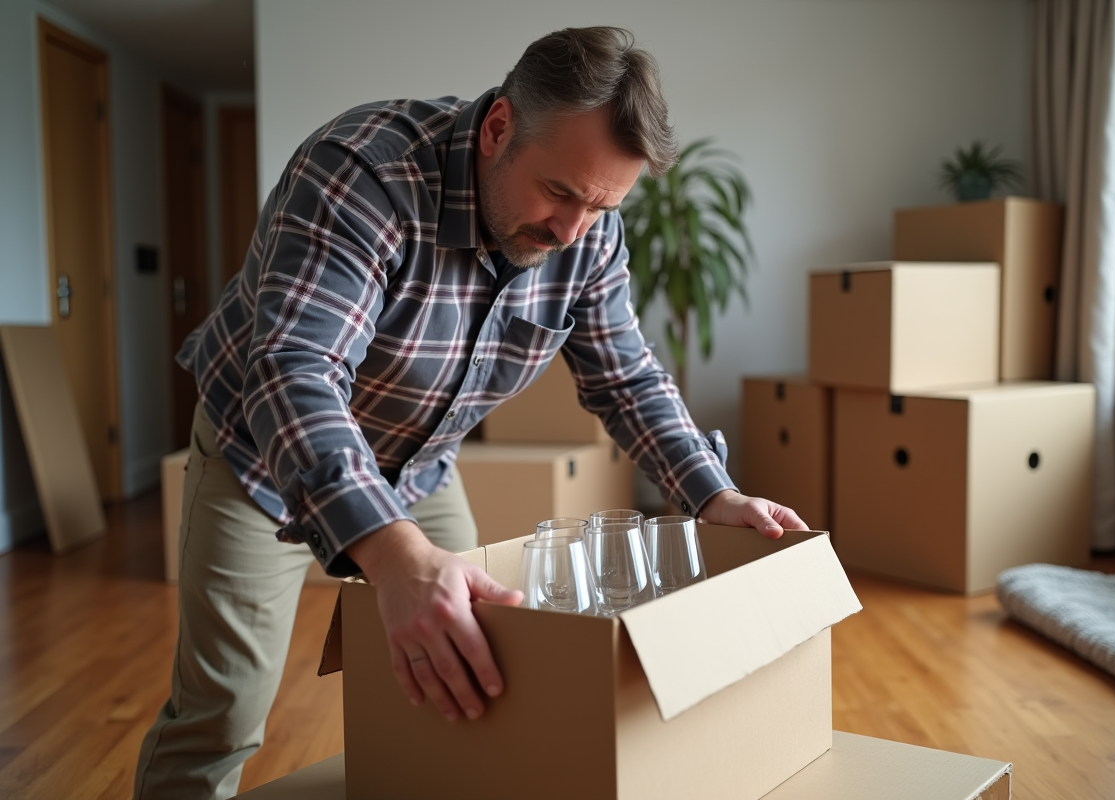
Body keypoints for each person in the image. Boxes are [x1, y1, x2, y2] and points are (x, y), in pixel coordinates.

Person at [132, 26, 805, 800]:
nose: (571, 232)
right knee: (223, 715)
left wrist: (713, 495)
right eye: (558, 193)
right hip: (264, 460)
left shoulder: (587, 231)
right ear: (497, 130)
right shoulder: (362, 173)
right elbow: (296, 372)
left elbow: (627, 378)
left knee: (490, 669)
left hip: (417, 466)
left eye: (601, 206)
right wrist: (394, 559)